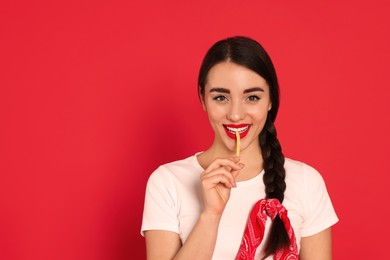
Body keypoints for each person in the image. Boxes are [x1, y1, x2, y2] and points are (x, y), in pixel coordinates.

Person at [141, 36, 338, 259]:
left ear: (271, 100)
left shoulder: (306, 182)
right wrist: (211, 215)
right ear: (203, 98)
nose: (235, 115)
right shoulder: (167, 182)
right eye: (221, 97)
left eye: (252, 97)